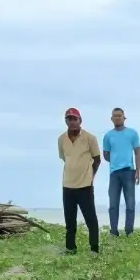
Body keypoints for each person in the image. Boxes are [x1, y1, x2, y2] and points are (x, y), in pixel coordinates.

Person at [58, 108, 102, 255]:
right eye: (69, 119)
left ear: (80, 121)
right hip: (67, 185)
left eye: (74, 119)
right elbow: (65, 158)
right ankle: (70, 248)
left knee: (90, 219)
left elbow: (97, 160)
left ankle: (94, 248)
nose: (72, 122)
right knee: (70, 221)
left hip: (84, 186)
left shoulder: (90, 138)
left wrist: (90, 176)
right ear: (66, 121)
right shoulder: (61, 139)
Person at [103, 107, 140, 237]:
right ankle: (113, 231)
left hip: (129, 171)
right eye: (115, 116)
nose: (117, 118)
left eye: (119, 115)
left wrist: (138, 170)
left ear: (124, 117)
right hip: (114, 173)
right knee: (113, 203)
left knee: (130, 202)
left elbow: (137, 152)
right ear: (111, 119)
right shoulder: (108, 136)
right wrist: (116, 161)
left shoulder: (132, 133)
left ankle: (129, 230)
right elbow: (106, 154)